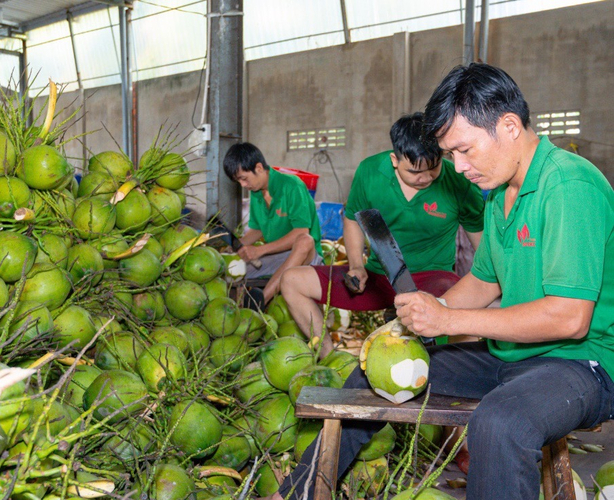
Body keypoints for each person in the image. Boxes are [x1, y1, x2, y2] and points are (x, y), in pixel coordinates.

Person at [265, 63, 613, 500]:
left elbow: (568, 318)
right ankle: (294, 493)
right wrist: (417, 319)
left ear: (508, 126)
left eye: (464, 150)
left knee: (500, 422)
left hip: (582, 364)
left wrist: (449, 321)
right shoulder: (499, 195)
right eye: (451, 154)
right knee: (370, 376)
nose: (459, 167)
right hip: (515, 357)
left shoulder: (566, 184)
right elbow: (484, 283)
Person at [279, 113, 484, 358]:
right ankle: (331, 360)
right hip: (379, 276)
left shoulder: (458, 182)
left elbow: (481, 245)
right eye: (415, 171)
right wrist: (356, 266)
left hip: (434, 278)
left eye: (434, 168)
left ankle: (448, 374)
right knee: (291, 280)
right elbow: (353, 218)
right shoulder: (371, 172)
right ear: (394, 160)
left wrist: (485, 286)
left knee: (466, 314)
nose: (426, 178)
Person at [222, 142, 323, 307]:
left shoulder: (292, 186)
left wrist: (259, 250)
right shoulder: (256, 193)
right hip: (277, 256)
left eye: (244, 179)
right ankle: (233, 311)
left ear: (259, 168)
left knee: (305, 240)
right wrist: (235, 246)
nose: (243, 185)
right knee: (227, 267)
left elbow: (300, 232)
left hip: (308, 257)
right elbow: (257, 230)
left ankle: (261, 300)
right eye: (238, 181)